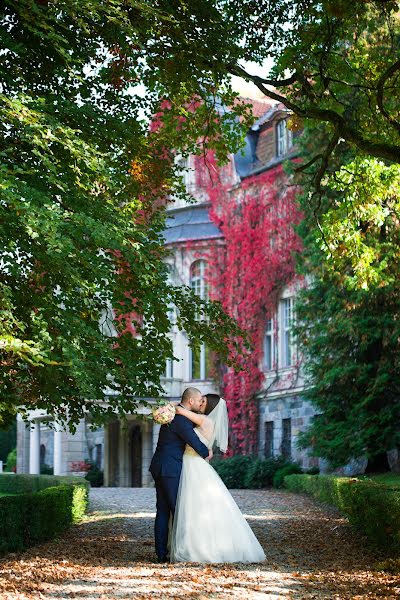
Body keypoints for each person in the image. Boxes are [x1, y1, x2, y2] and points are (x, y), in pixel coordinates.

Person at [170, 393, 266, 563]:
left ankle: (198, 547)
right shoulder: (204, 421)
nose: (200, 402)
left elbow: (180, 410)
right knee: (195, 507)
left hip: (193, 465)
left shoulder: (205, 421)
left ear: (210, 407)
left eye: (203, 401)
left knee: (193, 507)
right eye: (200, 399)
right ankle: (193, 543)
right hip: (193, 463)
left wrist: (170, 407)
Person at [149, 387, 210, 563]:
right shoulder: (181, 421)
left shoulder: (171, 415)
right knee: (179, 510)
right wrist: (208, 452)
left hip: (159, 466)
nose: (200, 403)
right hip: (170, 470)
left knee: (162, 511)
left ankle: (161, 554)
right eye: (199, 400)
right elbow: (196, 443)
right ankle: (183, 552)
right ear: (190, 401)